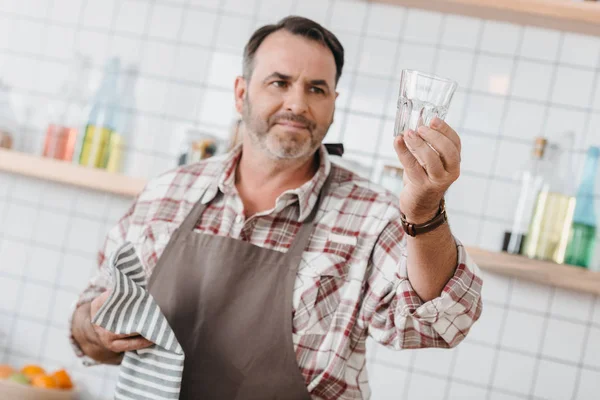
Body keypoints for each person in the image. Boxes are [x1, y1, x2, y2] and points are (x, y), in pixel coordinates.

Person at [70, 16, 483, 399]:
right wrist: (97, 329)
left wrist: (425, 210)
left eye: (316, 89)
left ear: (333, 104)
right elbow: (87, 328)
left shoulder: (372, 217)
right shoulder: (167, 193)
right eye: (279, 83)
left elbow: (442, 322)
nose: (297, 104)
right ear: (240, 93)